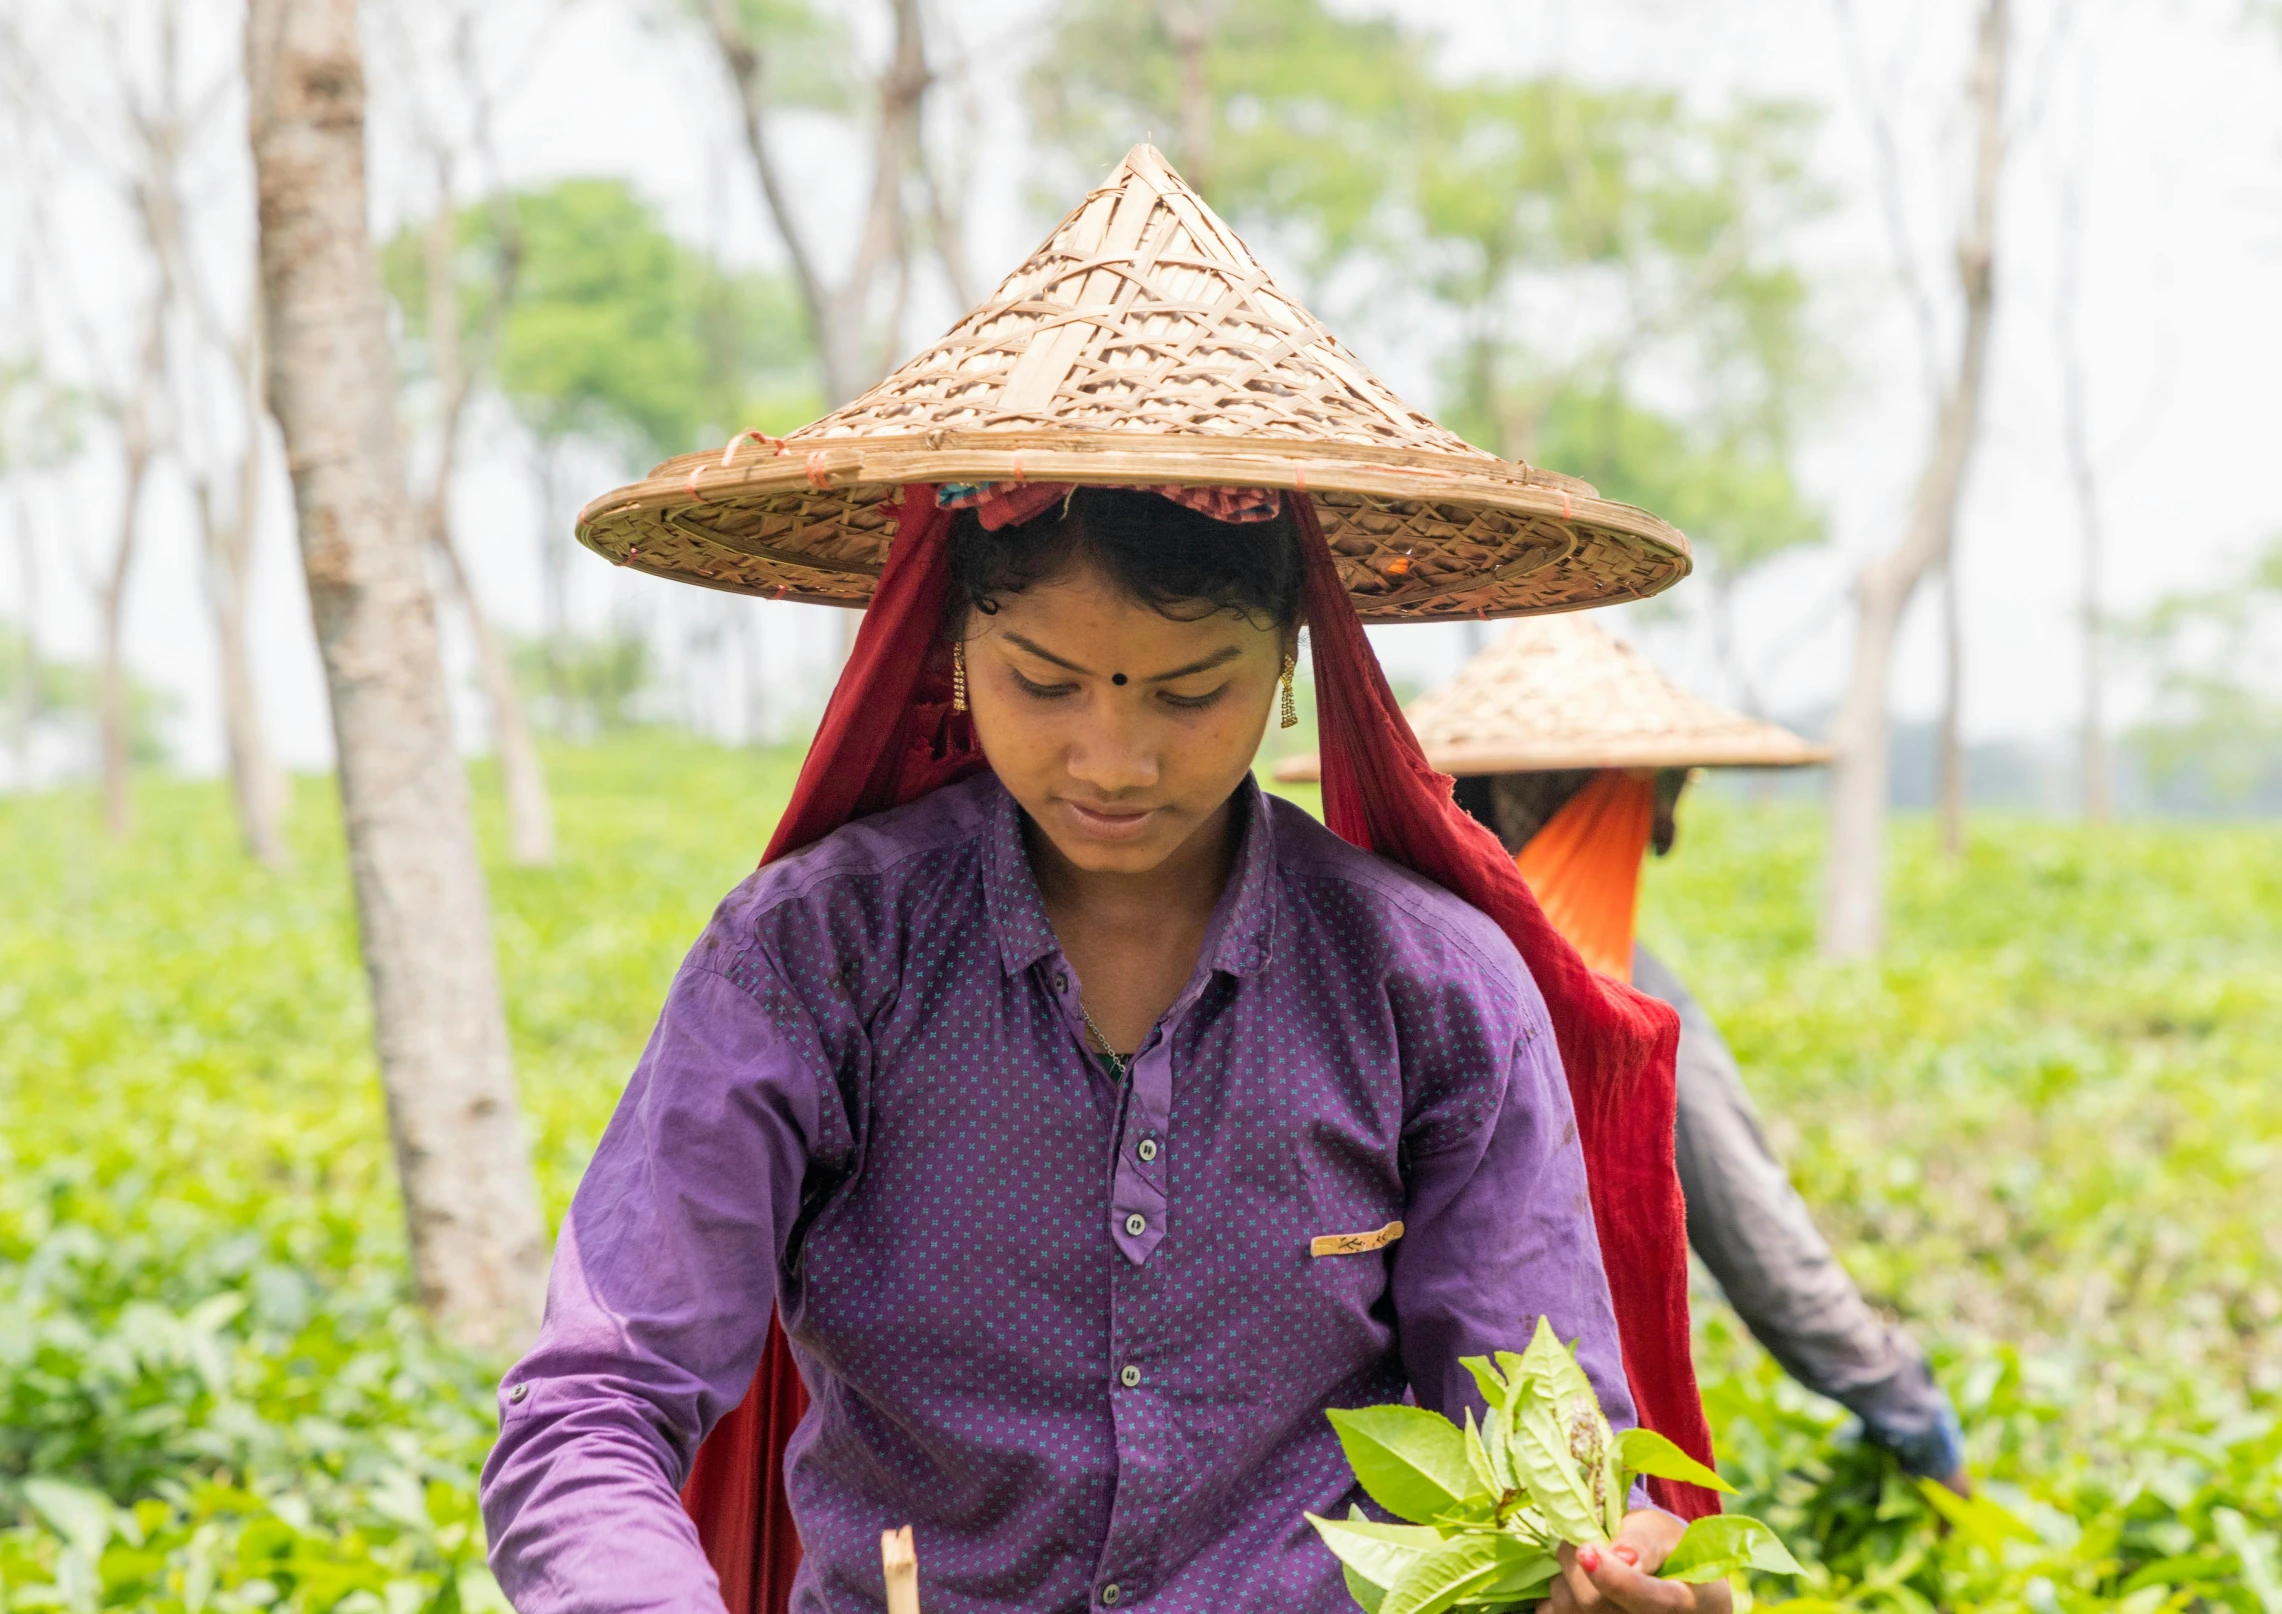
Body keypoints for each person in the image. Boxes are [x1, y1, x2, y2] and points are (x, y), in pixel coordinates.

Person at [482, 147, 1727, 1614]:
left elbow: (1542, 1453)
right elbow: (596, 1401)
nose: (1114, 757)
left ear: (1289, 666)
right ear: (954, 646)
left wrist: (1603, 1569)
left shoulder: (1428, 987)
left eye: (1188, 690)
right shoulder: (817, 956)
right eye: (1046, 682)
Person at [1281, 617, 1969, 1493]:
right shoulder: (1616, 987)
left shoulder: (1356, 936)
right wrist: (1898, 1394)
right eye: (1658, 794)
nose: (1666, 828)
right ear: (1607, 798)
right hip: (1526, 1454)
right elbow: (1757, 1237)